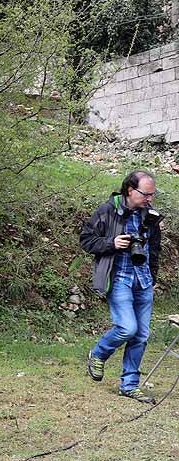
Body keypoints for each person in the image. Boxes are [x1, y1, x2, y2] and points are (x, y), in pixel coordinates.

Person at [80, 170, 162, 404]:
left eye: (152, 194)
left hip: (143, 280)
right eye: (145, 194)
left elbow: (155, 249)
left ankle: (129, 385)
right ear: (130, 190)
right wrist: (112, 243)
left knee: (141, 335)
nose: (149, 198)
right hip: (119, 279)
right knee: (127, 328)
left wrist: (152, 276)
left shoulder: (151, 215)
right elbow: (86, 240)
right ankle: (98, 353)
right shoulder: (107, 211)